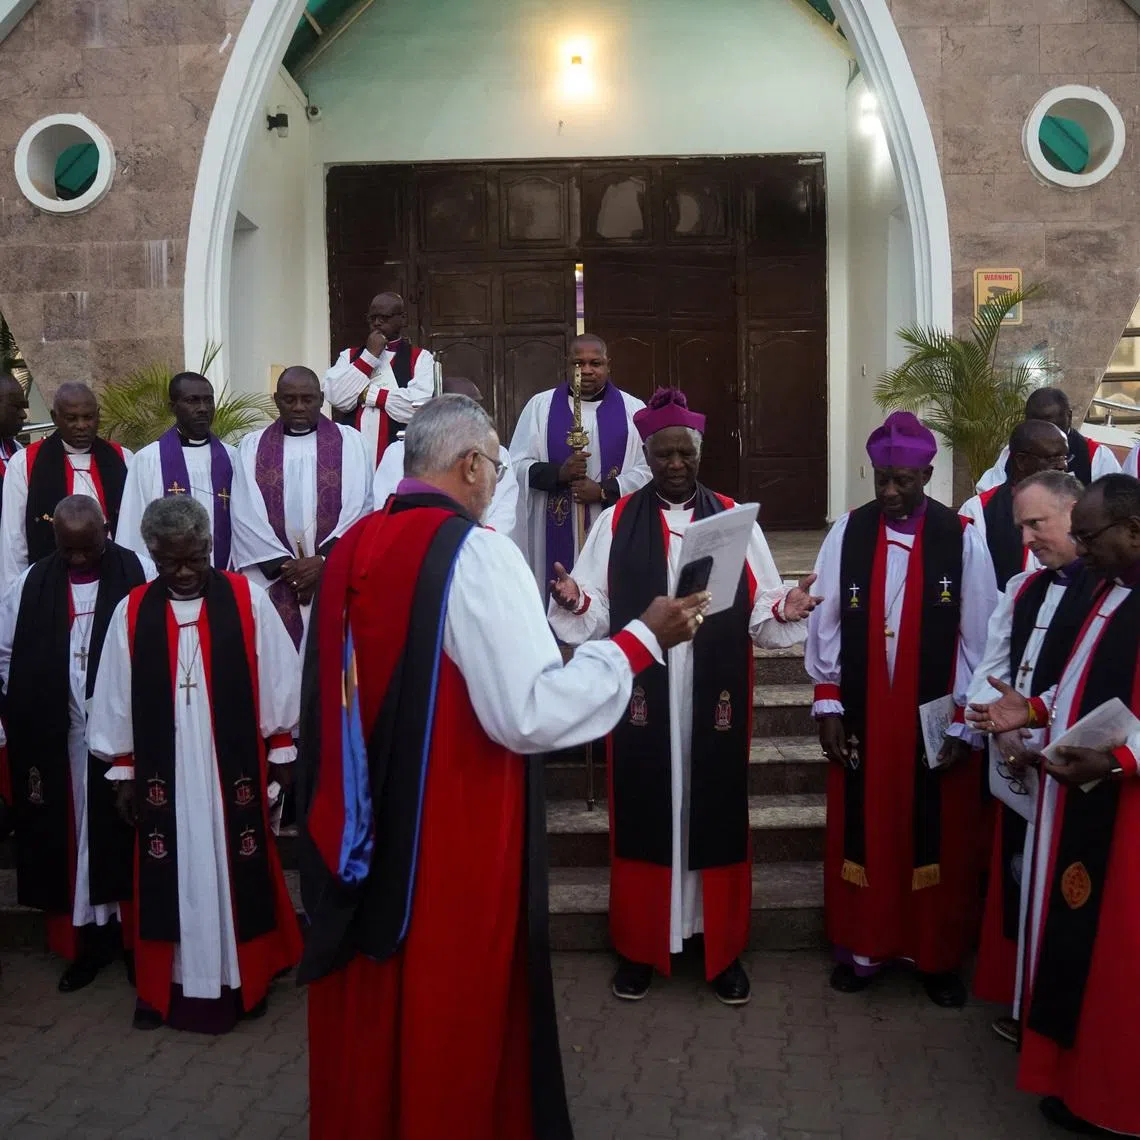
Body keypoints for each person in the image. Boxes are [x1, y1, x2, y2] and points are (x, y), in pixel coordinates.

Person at [298, 393, 709, 1140]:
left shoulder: (353, 547)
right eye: (494, 463)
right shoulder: (477, 553)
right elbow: (528, 713)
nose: (498, 480)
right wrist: (639, 641)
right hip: (451, 833)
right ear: (471, 466)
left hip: (362, 828)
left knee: (376, 1004)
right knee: (449, 1004)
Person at [548, 388, 821, 1004]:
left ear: (698, 455)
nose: (675, 465)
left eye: (684, 454)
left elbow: (761, 607)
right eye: (664, 454)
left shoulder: (729, 516)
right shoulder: (619, 520)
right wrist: (574, 600)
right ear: (648, 455)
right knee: (648, 808)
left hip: (710, 690)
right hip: (647, 692)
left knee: (713, 807)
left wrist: (788, 605)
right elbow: (598, 608)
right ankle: (644, 946)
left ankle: (718, 947)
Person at [87, 496, 302, 1034]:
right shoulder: (133, 611)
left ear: (210, 547)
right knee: (170, 873)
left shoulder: (245, 599)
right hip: (168, 776)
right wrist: (125, 771)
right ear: (153, 554)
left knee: (237, 866)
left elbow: (278, 679)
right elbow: (115, 694)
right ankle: (172, 985)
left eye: (194, 559)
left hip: (231, 770)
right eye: (170, 562)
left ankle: (241, 980)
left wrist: (280, 755)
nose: (183, 573)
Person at [968, 473, 1140, 1138]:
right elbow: (1083, 679)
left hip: (1124, 822)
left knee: (1117, 961)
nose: (1083, 549)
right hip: (1082, 799)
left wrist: (1120, 761)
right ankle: (1076, 1080)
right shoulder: (1111, 591)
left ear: (1132, 529)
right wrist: (1035, 708)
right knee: (1083, 954)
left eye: (1091, 536)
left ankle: (1114, 1102)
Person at [805, 411, 997, 1008]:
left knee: (935, 829)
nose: (890, 492)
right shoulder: (848, 533)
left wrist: (964, 716)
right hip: (866, 710)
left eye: (904, 481)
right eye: (881, 479)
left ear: (928, 475)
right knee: (868, 828)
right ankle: (862, 949)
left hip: (931, 710)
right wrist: (829, 701)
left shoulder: (960, 536)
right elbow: (826, 618)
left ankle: (934, 958)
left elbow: (979, 635)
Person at [966, 472, 1097, 1046]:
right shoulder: (1023, 586)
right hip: (1017, 764)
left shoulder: (1105, 589)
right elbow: (991, 666)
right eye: (1021, 525)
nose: (1028, 536)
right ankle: (1025, 1003)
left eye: (1037, 523)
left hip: (1077, 769)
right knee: (1023, 882)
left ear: (1075, 515)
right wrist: (993, 726)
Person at [0, 496, 150, 992]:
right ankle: (84, 945)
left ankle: (133, 943)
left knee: (125, 838)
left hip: (126, 739)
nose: (80, 559)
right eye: (70, 550)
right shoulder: (32, 583)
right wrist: (30, 710)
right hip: (60, 738)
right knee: (73, 840)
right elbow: (6, 653)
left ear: (106, 532)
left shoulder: (137, 573)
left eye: (89, 548)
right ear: (56, 541)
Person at [231, 366, 372, 649]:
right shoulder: (252, 446)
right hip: (274, 581)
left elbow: (361, 508)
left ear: (321, 399)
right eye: (289, 399)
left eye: (307, 399)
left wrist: (322, 563)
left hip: (332, 576)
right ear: (276, 399)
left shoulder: (351, 442)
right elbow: (244, 514)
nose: (298, 407)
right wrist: (288, 570)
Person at [510, 335, 651, 596]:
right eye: (578, 363)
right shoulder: (540, 407)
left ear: (609, 365)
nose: (586, 370)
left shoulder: (634, 411)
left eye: (595, 363)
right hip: (554, 526)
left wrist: (602, 490)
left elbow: (648, 471)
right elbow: (516, 466)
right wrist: (558, 474)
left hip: (610, 523)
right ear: (567, 365)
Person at [0, 382, 132, 592]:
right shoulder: (25, 463)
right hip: (51, 585)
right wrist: (13, 597)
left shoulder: (122, 458)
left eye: (88, 417)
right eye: (71, 418)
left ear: (98, 415)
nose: (81, 425)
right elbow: (13, 541)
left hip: (112, 579)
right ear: (55, 418)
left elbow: (132, 528)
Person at [372, 376, 519, 540]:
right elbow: (385, 502)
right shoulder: (398, 451)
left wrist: (481, 538)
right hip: (415, 541)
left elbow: (505, 505)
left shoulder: (495, 452)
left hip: (480, 541)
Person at [116, 373, 237, 570]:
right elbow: (132, 524)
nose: (203, 409)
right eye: (192, 401)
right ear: (173, 407)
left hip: (224, 576)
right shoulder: (148, 459)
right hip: (167, 579)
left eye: (208, 400)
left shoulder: (232, 457)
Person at [322, 291, 435, 469]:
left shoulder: (420, 358)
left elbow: (417, 407)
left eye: (384, 317)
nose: (377, 323)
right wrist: (369, 356)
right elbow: (337, 397)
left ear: (403, 319)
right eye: (372, 318)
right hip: (354, 455)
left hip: (400, 455)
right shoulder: (349, 356)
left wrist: (367, 394)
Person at [959, 420, 1070, 589]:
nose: (1063, 465)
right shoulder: (978, 511)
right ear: (1022, 461)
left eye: (1064, 457)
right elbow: (972, 586)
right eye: (1053, 458)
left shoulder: (1075, 507)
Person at [975, 387, 1120, 493]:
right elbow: (987, 493)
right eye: (1036, 424)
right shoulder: (1012, 453)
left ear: (1068, 417)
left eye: (1051, 424)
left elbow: (1116, 503)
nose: (1044, 432)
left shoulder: (1096, 456)